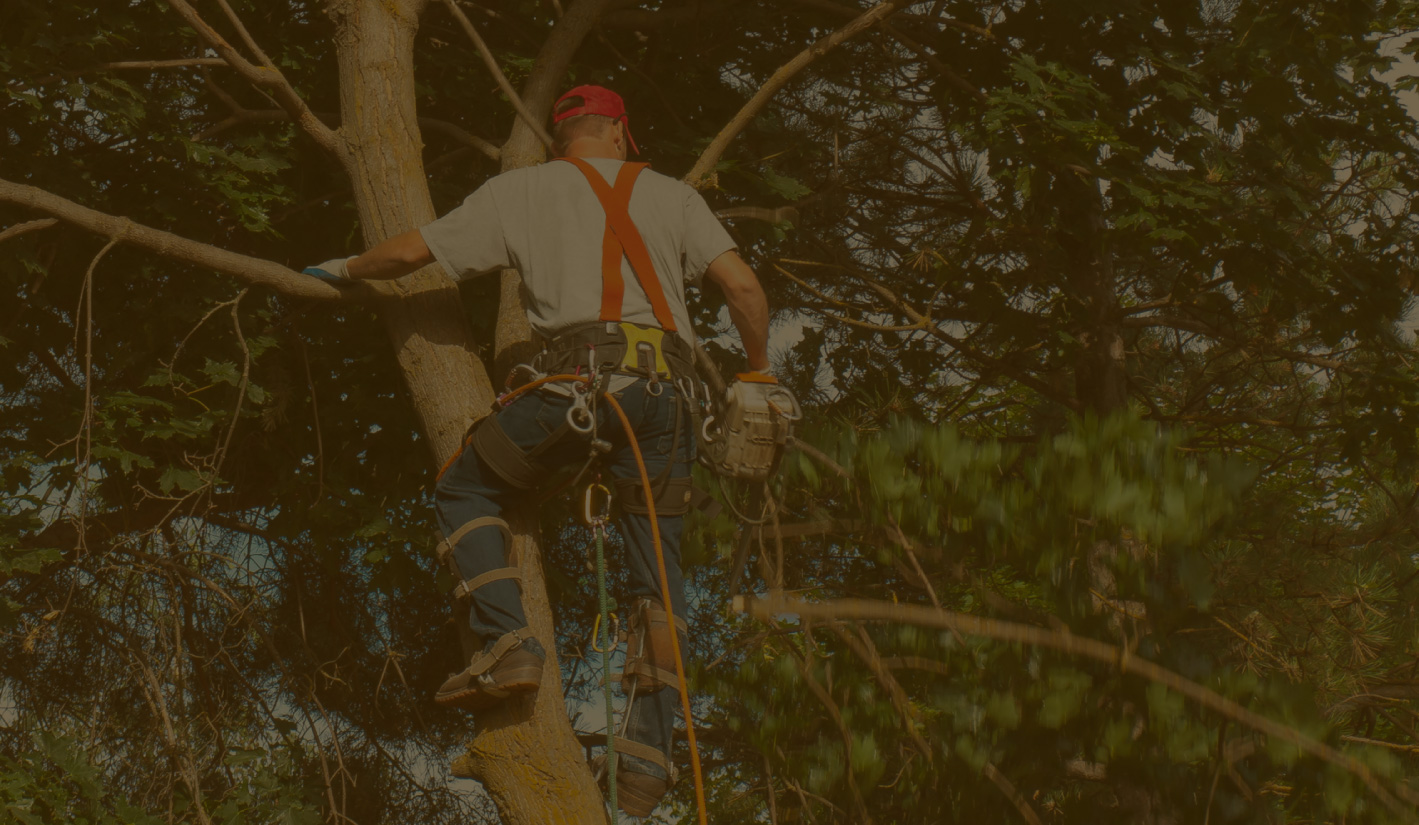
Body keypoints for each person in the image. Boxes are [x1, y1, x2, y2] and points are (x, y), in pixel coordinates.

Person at [303, 85, 773, 817]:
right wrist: (757, 370)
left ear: (561, 140)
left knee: (465, 486)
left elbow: (408, 253)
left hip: (578, 386)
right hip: (666, 402)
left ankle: (507, 644)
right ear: (621, 131)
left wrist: (341, 268)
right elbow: (741, 284)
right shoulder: (672, 194)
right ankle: (647, 758)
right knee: (657, 578)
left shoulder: (516, 191)